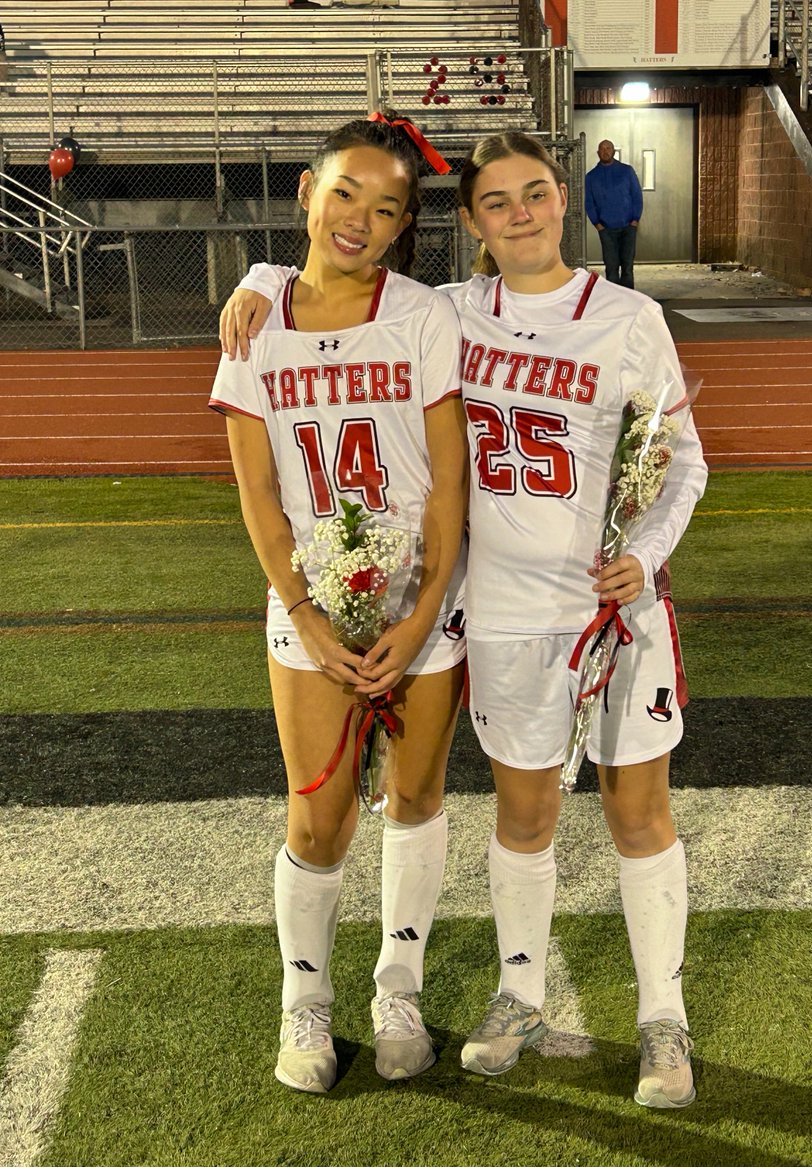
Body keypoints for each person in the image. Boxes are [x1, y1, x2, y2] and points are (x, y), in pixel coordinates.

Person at [220, 131, 708, 1110]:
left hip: (599, 610)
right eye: (497, 202)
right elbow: (325, 273)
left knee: (634, 813)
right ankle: (511, 994)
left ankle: (664, 1020)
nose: (519, 213)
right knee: (519, 819)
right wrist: (260, 271)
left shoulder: (626, 317)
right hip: (501, 612)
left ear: (563, 198)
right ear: (472, 223)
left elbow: (679, 458)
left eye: (535, 194)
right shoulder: (447, 311)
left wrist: (641, 559)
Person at [210, 112, 468, 1095]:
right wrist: (311, 620)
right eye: (345, 193)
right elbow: (259, 495)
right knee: (318, 819)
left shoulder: (422, 316)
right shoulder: (257, 318)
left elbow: (448, 482)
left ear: (405, 226)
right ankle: (304, 1003)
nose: (361, 217)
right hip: (307, 602)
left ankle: (395, 987)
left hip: (419, 603)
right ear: (307, 197)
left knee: (415, 798)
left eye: (388, 206)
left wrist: (422, 608)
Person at [584, 139, 643, 289]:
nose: (605, 151)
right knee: (611, 268)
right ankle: (613, 304)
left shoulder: (627, 171)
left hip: (628, 227)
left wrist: (635, 219)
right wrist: (597, 224)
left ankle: (629, 301)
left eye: (608, 148)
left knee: (628, 268)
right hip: (606, 229)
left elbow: (636, 196)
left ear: (614, 151)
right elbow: (589, 202)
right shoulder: (591, 177)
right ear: (598, 153)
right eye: (602, 149)